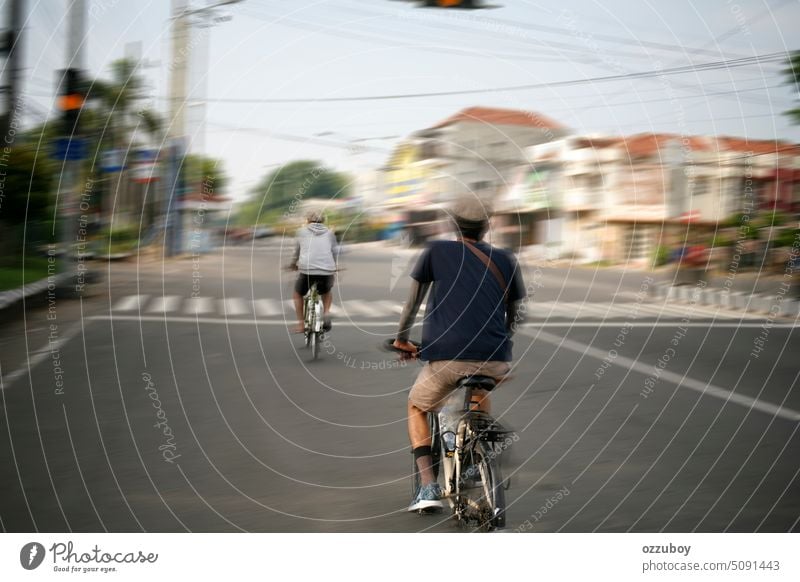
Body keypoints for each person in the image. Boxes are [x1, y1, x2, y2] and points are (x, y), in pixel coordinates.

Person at [393, 196, 526, 512]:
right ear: (486, 226)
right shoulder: (506, 259)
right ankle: (474, 452)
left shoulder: (436, 252)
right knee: (479, 391)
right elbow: (514, 315)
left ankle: (427, 488)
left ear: (453, 225)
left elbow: (413, 304)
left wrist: (401, 339)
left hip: (449, 356)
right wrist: (499, 347)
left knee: (416, 405)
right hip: (495, 356)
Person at [289, 209, 339, 333]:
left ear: (307, 220)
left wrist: (293, 264)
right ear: (323, 221)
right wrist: (334, 266)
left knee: (298, 294)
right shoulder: (330, 233)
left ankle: (301, 324)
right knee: (326, 291)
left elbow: (297, 251)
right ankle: (326, 312)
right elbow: (334, 252)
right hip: (327, 269)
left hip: (307, 270)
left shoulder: (301, 231)